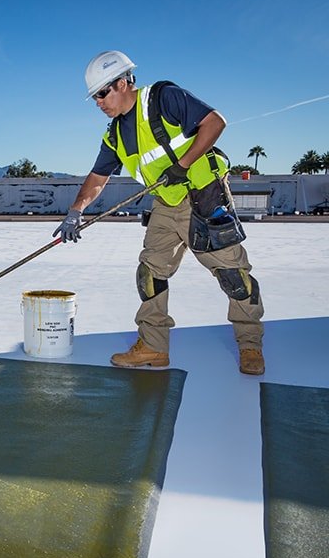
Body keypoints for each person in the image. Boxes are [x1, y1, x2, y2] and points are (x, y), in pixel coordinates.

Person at [55, 51, 264, 375]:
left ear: (122, 83)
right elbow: (98, 178)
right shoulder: (114, 134)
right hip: (166, 203)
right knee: (150, 274)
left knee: (233, 276)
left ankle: (250, 346)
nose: (98, 102)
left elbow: (214, 122)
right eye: (94, 97)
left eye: (101, 93)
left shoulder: (161, 98)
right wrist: (75, 212)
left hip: (203, 194)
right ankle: (153, 346)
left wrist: (182, 166)